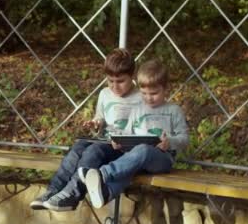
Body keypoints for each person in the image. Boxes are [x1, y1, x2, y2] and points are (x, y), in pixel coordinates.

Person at [29, 48, 142, 211]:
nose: (115, 86)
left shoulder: (140, 97)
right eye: (110, 81)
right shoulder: (105, 94)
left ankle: (72, 194)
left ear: (132, 76)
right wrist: (96, 123)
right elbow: (101, 117)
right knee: (78, 147)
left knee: (93, 151)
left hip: (123, 148)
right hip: (105, 141)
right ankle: (53, 191)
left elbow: (143, 131)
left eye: (120, 81)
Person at [81, 59, 189, 208]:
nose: (148, 98)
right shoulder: (137, 109)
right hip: (136, 157)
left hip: (162, 159)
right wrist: (120, 142)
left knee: (143, 150)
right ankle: (107, 193)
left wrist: (169, 142)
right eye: (144, 93)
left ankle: (102, 174)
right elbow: (127, 133)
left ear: (165, 89)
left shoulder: (173, 110)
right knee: (131, 163)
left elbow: (184, 139)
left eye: (154, 93)